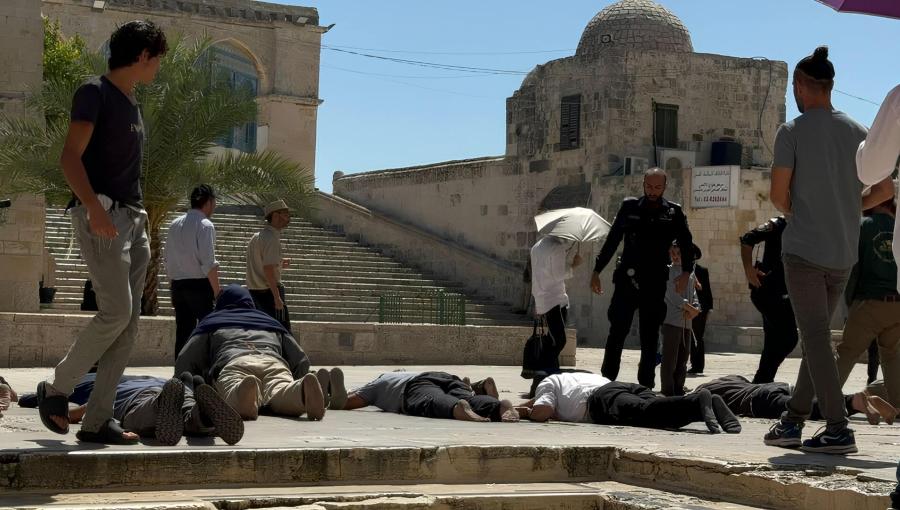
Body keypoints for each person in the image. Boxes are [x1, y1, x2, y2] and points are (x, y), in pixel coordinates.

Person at [36, 21, 168, 445]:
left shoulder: (132, 102)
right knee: (115, 311)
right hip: (103, 217)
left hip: (134, 219)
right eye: (158, 59)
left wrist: (140, 217)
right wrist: (94, 208)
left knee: (128, 325)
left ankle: (97, 421)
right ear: (144, 55)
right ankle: (57, 389)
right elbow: (69, 157)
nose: (159, 68)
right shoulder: (94, 92)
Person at [764, 46, 893, 454]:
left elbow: (777, 196)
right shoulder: (858, 131)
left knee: (816, 337)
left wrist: (798, 208)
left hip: (804, 250)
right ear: (831, 86)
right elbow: (887, 187)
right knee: (818, 337)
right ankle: (793, 420)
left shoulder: (793, 132)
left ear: (801, 86)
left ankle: (838, 427)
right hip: (843, 253)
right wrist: (847, 206)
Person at [591, 168, 695, 389]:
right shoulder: (629, 208)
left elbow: (686, 244)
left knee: (650, 336)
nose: (652, 191)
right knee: (617, 331)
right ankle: (605, 382)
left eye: (657, 187)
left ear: (664, 187)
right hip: (627, 280)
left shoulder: (673, 213)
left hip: (655, 282)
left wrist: (686, 273)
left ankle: (645, 385)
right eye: (649, 186)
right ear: (643, 184)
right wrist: (597, 270)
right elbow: (612, 240)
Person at [175, 285, 343, 421]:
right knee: (281, 390)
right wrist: (301, 375)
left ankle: (244, 395)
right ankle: (302, 391)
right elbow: (300, 359)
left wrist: (184, 385)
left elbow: (185, 359)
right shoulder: (270, 322)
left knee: (232, 389)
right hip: (273, 362)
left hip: (234, 362)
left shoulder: (212, 322)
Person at [19, 373, 244, 446]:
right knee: (188, 411)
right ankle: (203, 415)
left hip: (136, 400)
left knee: (151, 410)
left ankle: (165, 404)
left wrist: (68, 416)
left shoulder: (91, 380)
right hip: (170, 386)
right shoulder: (144, 375)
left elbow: (32, 397)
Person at [520, 372, 741, 434]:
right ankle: (709, 403)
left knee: (646, 414)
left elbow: (543, 411)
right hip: (622, 387)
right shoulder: (566, 378)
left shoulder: (546, 383)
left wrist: (527, 414)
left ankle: (697, 402)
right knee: (659, 411)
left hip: (600, 400)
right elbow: (540, 403)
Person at [836, 198, 900, 409]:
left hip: (870, 301)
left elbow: (853, 269)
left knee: (847, 353)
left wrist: (849, 304)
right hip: (897, 303)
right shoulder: (897, 227)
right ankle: (897, 407)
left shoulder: (863, 226)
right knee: (891, 357)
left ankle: (827, 403)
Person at [696, 375, 896, 425]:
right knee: (809, 402)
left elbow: (701, 406)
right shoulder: (730, 379)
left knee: (804, 411)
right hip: (776, 386)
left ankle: (854, 402)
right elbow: (745, 380)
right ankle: (850, 400)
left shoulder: (702, 392)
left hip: (756, 401)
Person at [740, 216, 798, 384]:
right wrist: (749, 270)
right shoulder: (778, 224)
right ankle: (762, 379)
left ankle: (761, 383)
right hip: (768, 292)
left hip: (784, 293)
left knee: (773, 341)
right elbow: (748, 238)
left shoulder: (805, 226)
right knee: (789, 338)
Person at [165, 184, 221, 358]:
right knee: (210, 330)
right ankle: (205, 373)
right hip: (198, 286)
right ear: (209, 202)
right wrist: (218, 292)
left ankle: (181, 374)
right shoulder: (205, 225)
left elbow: (168, 259)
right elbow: (208, 263)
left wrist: (172, 285)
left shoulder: (174, 224)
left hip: (178, 286)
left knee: (183, 332)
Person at [342, 372, 519, 422]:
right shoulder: (403, 373)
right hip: (445, 377)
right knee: (470, 397)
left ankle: (457, 408)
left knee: (434, 400)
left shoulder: (379, 382)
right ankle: (500, 406)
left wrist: (335, 401)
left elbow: (349, 401)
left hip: (414, 387)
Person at [530, 236, 582, 372]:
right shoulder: (557, 247)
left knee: (552, 338)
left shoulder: (537, 246)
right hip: (554, 299)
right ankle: (543, 370)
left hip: (541, 297)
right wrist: (574, 265)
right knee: (559, 340)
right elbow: (558, 275)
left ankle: (550, 370)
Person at [660, 242, 700, 396]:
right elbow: (671, 295)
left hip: (687, 322)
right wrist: (689, 308)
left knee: (683, 359)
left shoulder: (689, 273)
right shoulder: (668, 272)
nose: (675, 256)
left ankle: (678, 388)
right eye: (673, 253)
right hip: (672, 320)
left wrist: (696, 308)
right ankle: (668, 391)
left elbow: (694, 294)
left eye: (679, 253)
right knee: (670, 359)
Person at [247, 199, 293, 331]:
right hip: (269, 295)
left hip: (255, 294)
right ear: (275, 216)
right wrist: (277, 298)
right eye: (285, 214)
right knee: (281, 334)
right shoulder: (271, 239)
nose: (288, 218)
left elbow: (262, 264)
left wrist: (278, 264)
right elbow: (267, 270)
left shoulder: (256, 236)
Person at [688, 256, 713, 376]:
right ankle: (693, 364)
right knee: (689, 337)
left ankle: (698, 366)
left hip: (700, 309)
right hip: (686, 307)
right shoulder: (681, 269)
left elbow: (707, 290)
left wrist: (709, 309)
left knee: (698, 337)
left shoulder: (702, 270)